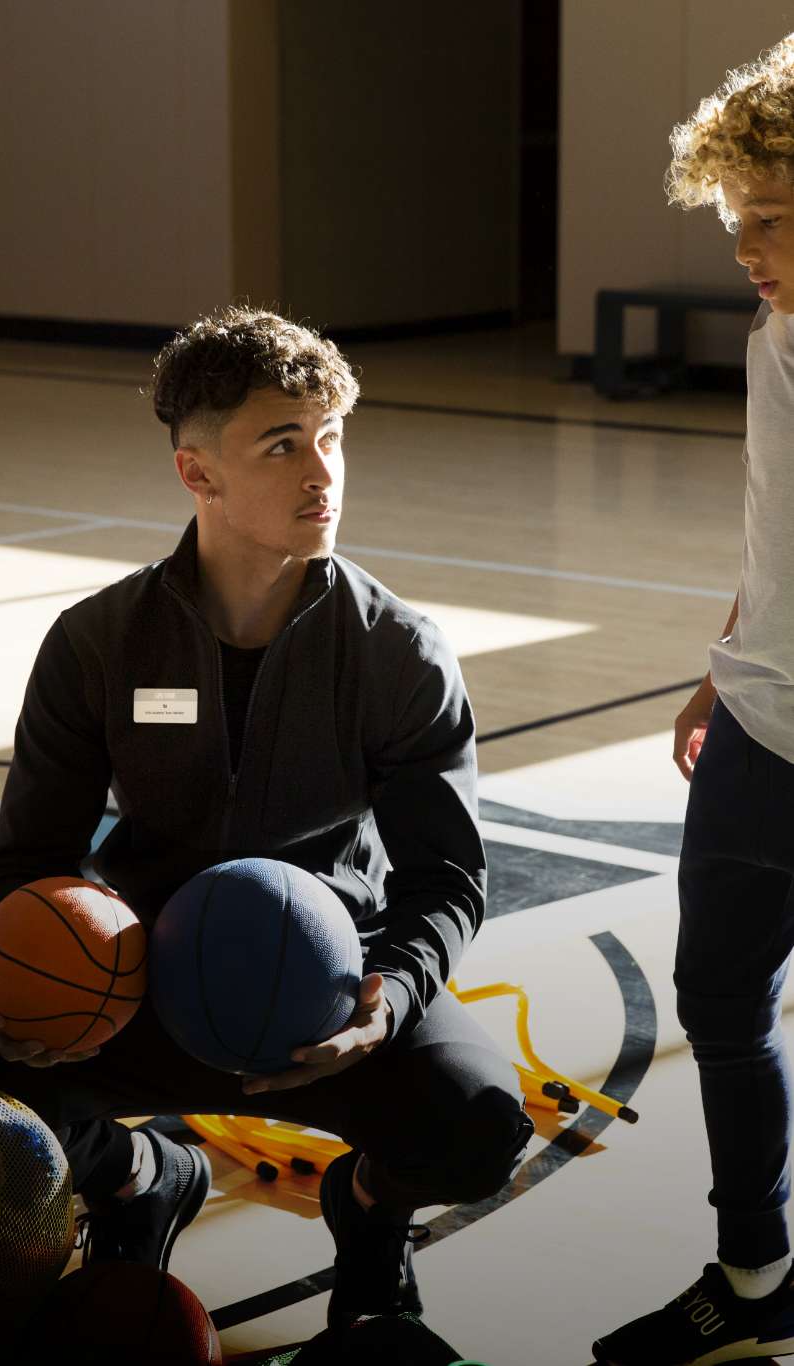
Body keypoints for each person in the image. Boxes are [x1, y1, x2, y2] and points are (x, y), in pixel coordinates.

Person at [0, 306, 532, 1328]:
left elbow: (447, 879)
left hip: (331, 987)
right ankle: (140, 1174)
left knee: (482, 1123)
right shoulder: (100, 642)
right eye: (283, 445)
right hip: (139, 982)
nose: (324, 473)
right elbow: (28, 859)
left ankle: (367, 1213)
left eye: (333, 438)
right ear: (198, 474)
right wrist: (27, 990)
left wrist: (388, 998)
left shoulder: (396, 649)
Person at [593, 32, 794, 1366]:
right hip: (763, 726)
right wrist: (718, 664)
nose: (745, 252)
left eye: (769, 220)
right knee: (721, 994)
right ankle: (758, 1271)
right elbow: (774, 528)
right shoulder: (780, 336)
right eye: (735, 225)